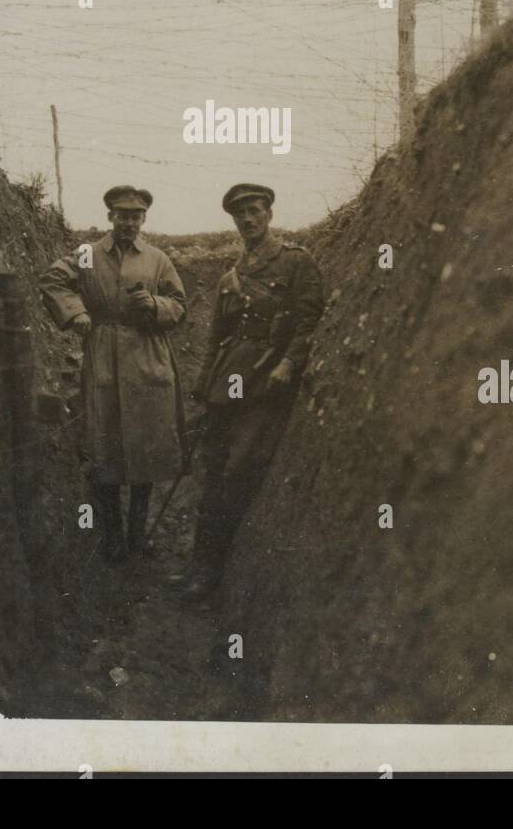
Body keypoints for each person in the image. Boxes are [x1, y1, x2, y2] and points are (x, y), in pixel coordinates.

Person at [173, 183, 324, 600]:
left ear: (269, 214)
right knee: (215, 470)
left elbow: (311, 321)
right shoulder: (230, 276)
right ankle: (200, 567)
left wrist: (288, 363)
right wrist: (204, 384)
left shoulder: (295, 262)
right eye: (241, 214)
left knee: (238, 470)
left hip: (264, 385)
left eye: (255, 211)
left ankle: (216, 573)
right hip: (228, 383)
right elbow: (217, 336)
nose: (248, 220)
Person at [40, 186, 186, 563]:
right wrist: (77, 313)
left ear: (144, 220)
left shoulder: (156, 259)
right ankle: (112, 540)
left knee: (145, 446)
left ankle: (138, 538)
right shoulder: (88, 255)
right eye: (121, 215)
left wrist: (154, 304)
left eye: (135, 216)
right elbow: (54, 281)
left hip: (148, 356)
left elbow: (180, 306)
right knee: (104, 444)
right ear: (110, 218)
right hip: (103, 353)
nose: (128, 223)